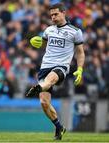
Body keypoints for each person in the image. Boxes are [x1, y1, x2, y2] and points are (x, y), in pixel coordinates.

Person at [26, 3, 85, 140]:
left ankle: (38, 88)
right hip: (45, 66)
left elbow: (80, 53)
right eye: (51, 15)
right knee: (44, 103)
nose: (53, 17)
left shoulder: (75, 31)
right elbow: (45, 44)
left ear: (63, 13)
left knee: (51, 79)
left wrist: (80, 69)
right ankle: (59, 127)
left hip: (61, 67)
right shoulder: (48, 30)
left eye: (56, 14)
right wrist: (38, 42)